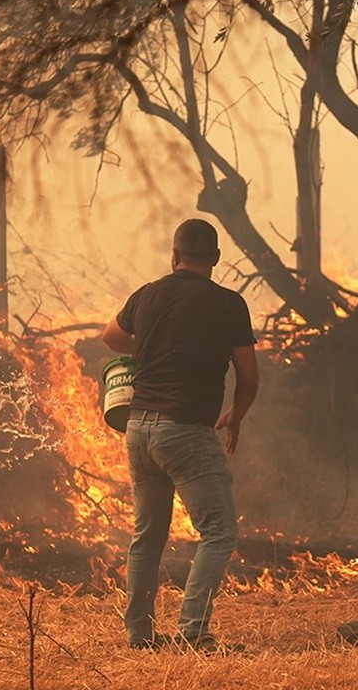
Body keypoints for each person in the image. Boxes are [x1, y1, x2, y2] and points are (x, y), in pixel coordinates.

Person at [101, 218, 259, 652]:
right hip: (186, 431)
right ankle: (193, 631)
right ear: (216, 260)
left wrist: (149, 346)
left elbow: (111, 337)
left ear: (174, 257)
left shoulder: (148, 293)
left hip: (138, 430)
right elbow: (248, 375)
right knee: (219, 531)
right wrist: (238, 414)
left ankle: (138, 635)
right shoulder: (229, 304)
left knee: (148, 535)